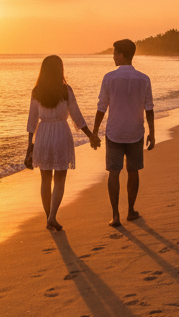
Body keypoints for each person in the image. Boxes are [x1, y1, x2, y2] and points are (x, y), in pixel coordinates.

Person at [26, 55, 99, 232]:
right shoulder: (65, 90)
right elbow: (77, 116)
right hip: (60, 133)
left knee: (45, 179)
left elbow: (32, 120)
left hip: (43, 134)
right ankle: (52, 217)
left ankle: (49, 217)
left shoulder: (37, 91)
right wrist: (90, 135)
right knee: (59, 178)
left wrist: (30, 145)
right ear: (60, 69)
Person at [92, 39, 154, 228]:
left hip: (114, 132)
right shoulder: (144, 78)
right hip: (135, 130)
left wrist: (95, 131)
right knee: (133, 171)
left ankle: (115, 215)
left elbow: (102, 107)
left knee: (114, 172)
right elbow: (149, 108)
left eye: (115, 53)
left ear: (121, 55)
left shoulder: (109, 78)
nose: (112, 56)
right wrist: (152, 132)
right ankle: (131, 210)